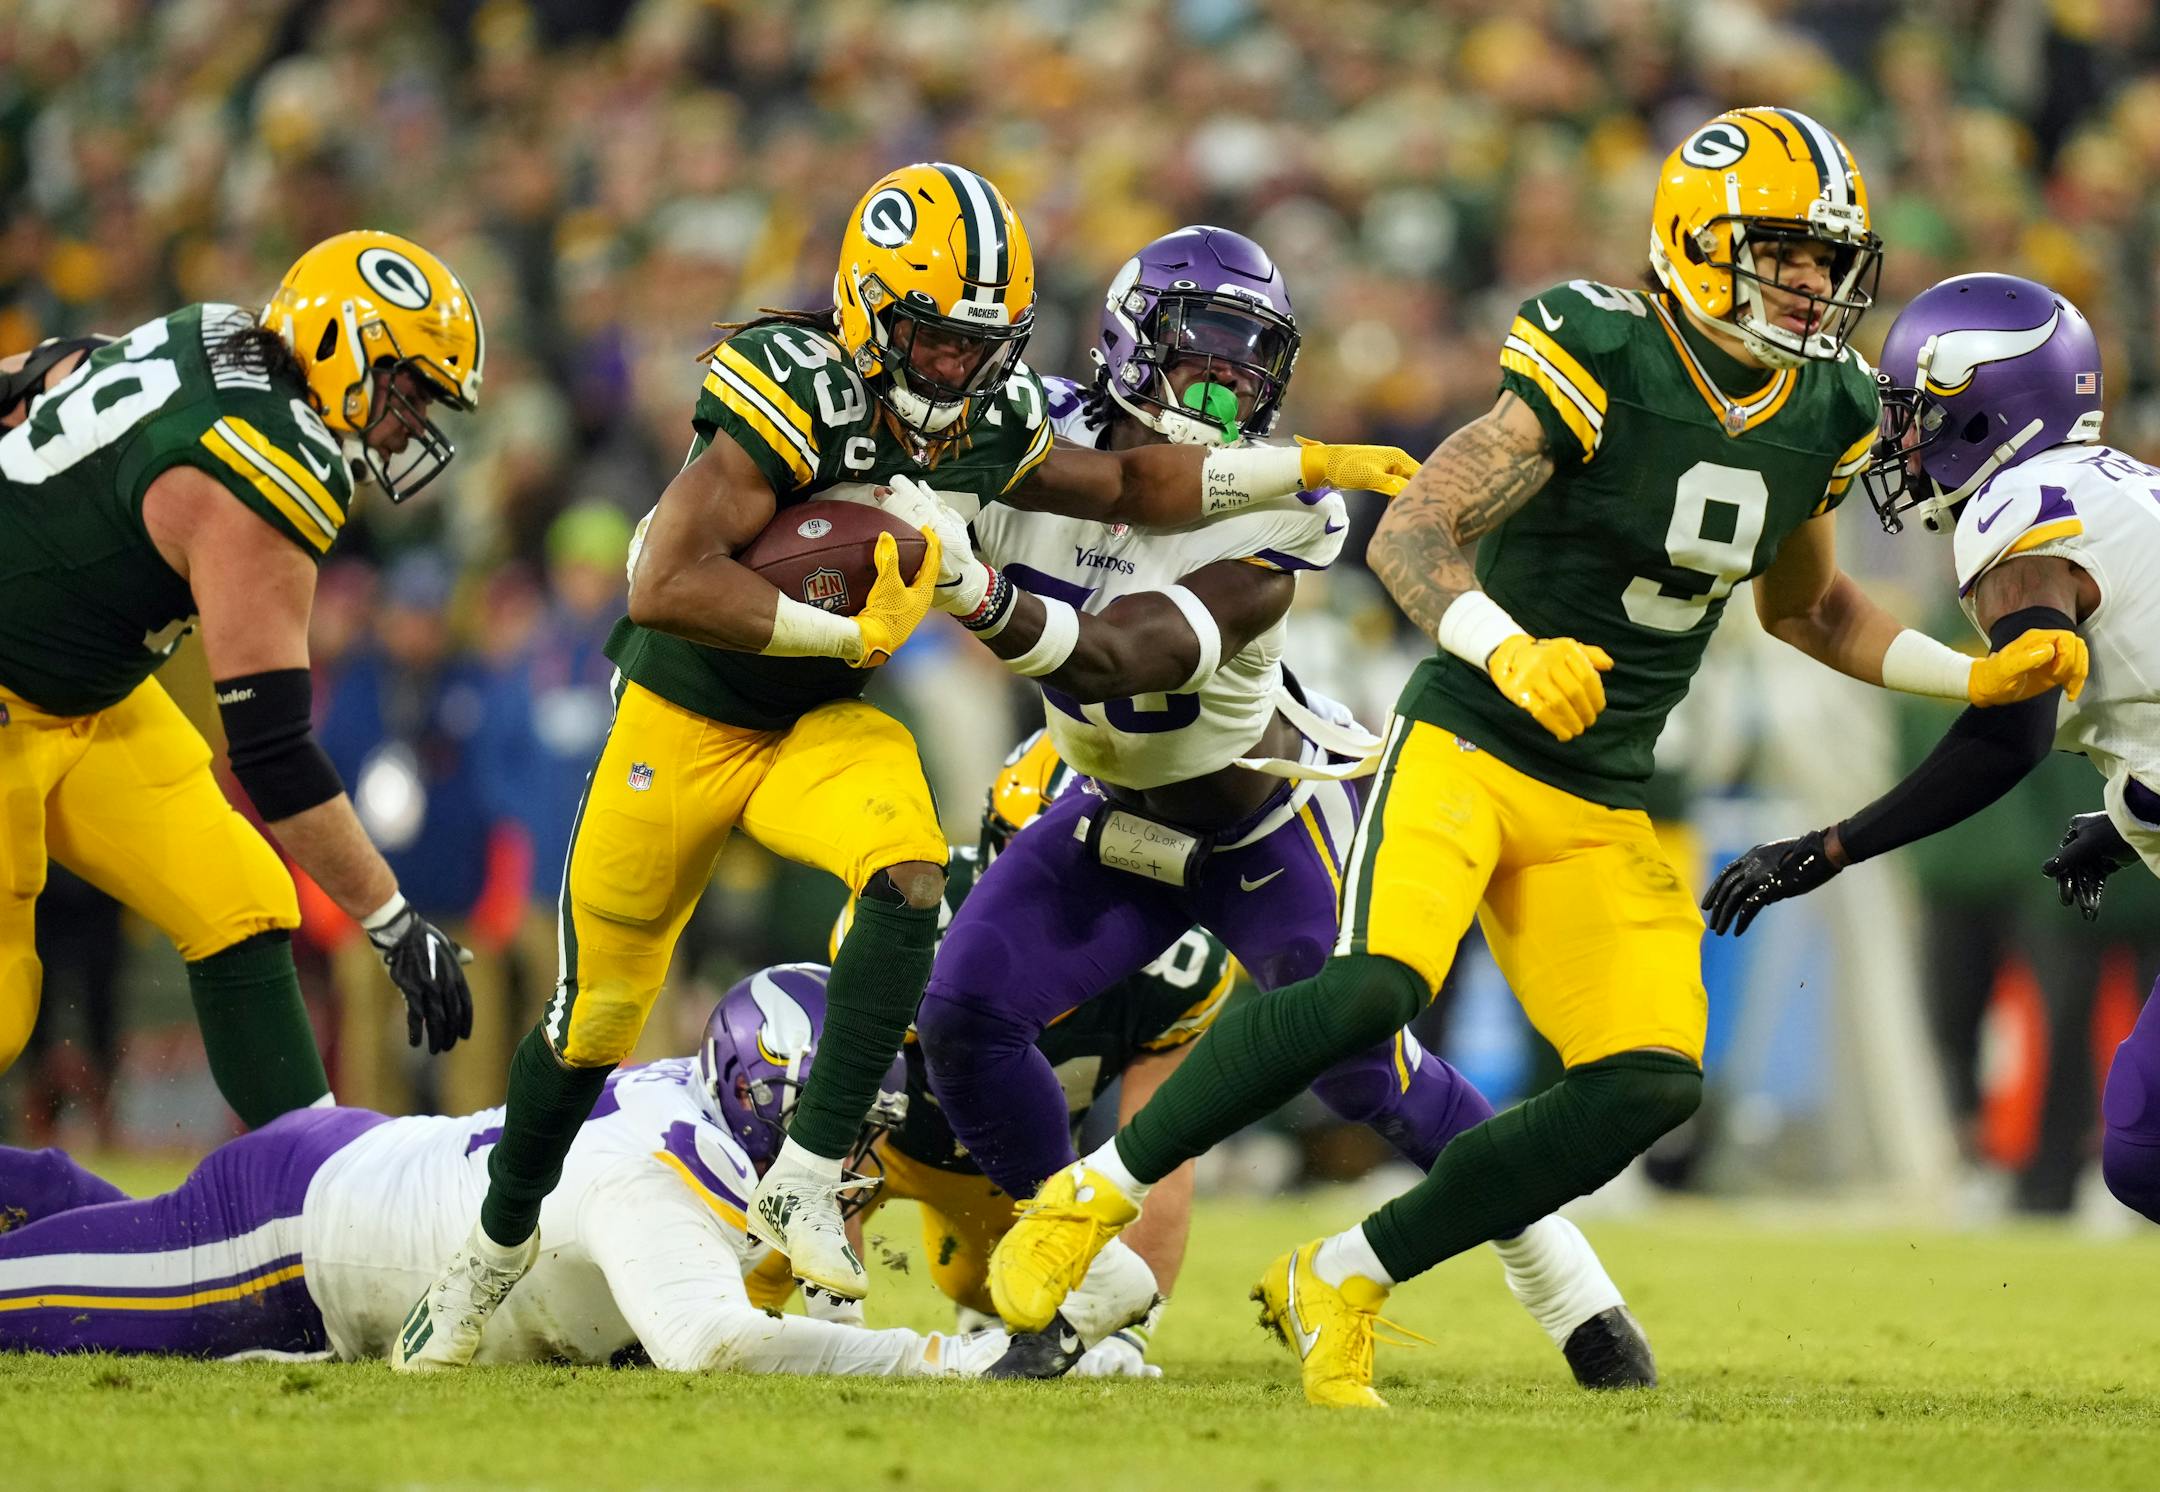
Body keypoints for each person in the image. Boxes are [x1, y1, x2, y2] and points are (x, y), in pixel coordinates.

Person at [979, 109, 2085, 1408]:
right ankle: (1089, 1195)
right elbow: (1418, 531)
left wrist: (1971, 673)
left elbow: (1810, 610)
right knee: (1367, 992)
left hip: (1602, 790)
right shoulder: (1599, 343)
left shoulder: (1832, 408)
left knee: (1650, 1081)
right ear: (1692, 240)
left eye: (1825, 258)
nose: (1810, 284)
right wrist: (1509, 652)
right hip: (1469, 734)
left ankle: (1348, 1271)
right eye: (1781, 252)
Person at [395, 162, 1416, 1370]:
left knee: (910, 872)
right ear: (873, 313)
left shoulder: (988, 410)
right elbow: (661, 582)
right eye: (933, 343)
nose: (955, 371)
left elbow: (1132, 483)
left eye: (981, 345)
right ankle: (491, 1250)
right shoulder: (793, 382)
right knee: (593, 1016)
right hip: (683, 714)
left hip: (818, 723)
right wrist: (843, 628)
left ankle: (808, 1176)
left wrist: (1300, 468)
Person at [912, 227, 1651, 1384]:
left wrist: (970, 584)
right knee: (963, 1011)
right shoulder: (1037, 434)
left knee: (1368, 1075)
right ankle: (1064, 1288)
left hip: (1258, 824)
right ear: (1121, 339)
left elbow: (1121, 654)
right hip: (1109, 810)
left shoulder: (1287, 512)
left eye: (1249, 355)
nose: (1224, 378)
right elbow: (1039, 481)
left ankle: (1572, 1287)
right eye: (1199, 343)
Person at [1697, 272, 2160, 1224]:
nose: (1897, 439)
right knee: (2142, 1146)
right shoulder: (2121, 488)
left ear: (1986, 409)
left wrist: (1828, 848)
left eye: (1916, 412)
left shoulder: (2022, 510)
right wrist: (2120, 820)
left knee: (2144, 1147)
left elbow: (2009, 732)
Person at [0, 230, 486, 1131]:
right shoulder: (270, 469)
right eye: (409, 390)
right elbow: (272, 753)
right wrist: (390, 920)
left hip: (86, 695)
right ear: (346, 348)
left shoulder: (216, 330)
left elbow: (48, 366)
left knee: (239, 901)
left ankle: (310, 1199)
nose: (411, 423)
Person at [0, 978, 1008, 1378]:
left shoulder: (706, 1114)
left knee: (83, 1228)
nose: (855, 1162)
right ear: (760, 1096)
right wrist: (949, 1360)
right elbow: (711, 1343)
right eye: (840, 1130)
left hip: (356, 1190)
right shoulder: (653, 1170)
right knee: (21, 1301)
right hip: (288, 1240)